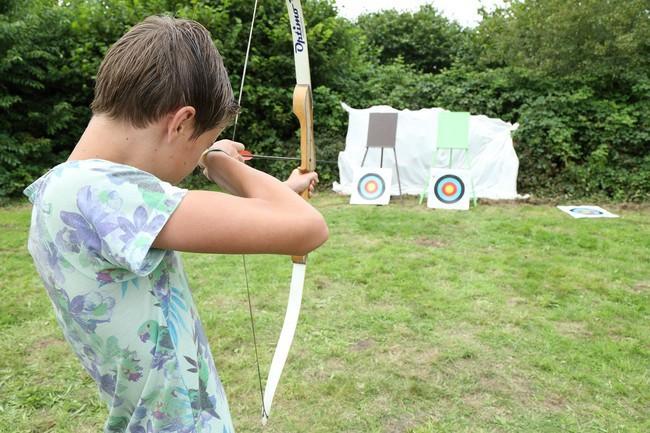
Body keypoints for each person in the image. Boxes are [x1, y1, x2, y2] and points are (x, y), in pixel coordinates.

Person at [23, 15, 328, 433]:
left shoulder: (71, 192)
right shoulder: (99, 192)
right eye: (199, 143)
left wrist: (279, 187)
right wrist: (218, 163)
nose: (195, 161)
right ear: (182, 122)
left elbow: (266, 218)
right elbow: (308, 228)